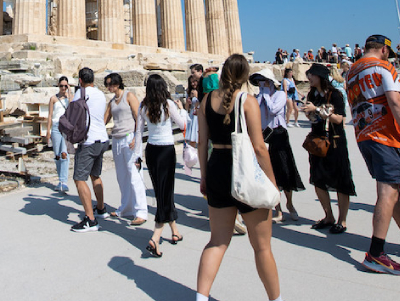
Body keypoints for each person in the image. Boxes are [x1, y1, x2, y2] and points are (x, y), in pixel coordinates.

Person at [196, 54, 281, 301]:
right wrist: (272, 184)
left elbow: (202, 143)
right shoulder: (247, 101)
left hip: (217, 170)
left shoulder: (205, 100)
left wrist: (204, 176)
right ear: (245, 75)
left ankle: (201, 298)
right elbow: (259, 148)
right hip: (245, 171)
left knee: (217, 242)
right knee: (262, 247)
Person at [346, 34, 400, 275]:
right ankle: (376, 254)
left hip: (364, 135)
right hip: (385, 135)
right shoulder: (383, 66)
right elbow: (395, 102)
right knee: (388, 192)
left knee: (391, 191)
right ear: (384, 50)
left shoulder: (351, 71)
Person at [135, 74, 186, 257]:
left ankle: (175, 231)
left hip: (151, 152)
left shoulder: (143, 106)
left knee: (162, 191)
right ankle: (155, 237)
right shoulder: (168, 104)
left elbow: (138, 133)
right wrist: (182, 110)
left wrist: (137, 156)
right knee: (165, 191)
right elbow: (182, 124)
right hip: (166, 151)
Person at [303, 64, 355, 234]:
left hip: (334, 141)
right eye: (308, 75)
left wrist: (316, 110)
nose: (309, 78)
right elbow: (314, 117)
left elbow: (340, 119)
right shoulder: (312, 94)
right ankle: (328, 216)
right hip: (318, 141)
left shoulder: (336, 95)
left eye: (312, 75)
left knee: (341, 181)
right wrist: (309, 112)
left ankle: (343, 220)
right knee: (318, 180)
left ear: (320, 77)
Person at [252, 69, 304, 221]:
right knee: (269, 173)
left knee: (284, 169)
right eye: (259, 81)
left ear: (269, 81)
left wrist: (266, 96)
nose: (261, 84)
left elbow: (274, 110)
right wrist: (260, 97)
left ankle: (290, 204)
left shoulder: (280, 95)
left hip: (279, 134)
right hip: (264, 136)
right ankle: (278, 209)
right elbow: (255, 113)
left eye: (263, 80)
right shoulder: (259, 97)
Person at [103, 73, 149, 226]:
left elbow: (139, 118)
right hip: (116, 139)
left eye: (110, 83)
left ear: (117, 83)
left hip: (130, 138)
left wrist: (137, 138)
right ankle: (126, 208)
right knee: (122, 176)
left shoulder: (129, 96)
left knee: (135, 175)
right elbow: (104, 120)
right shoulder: (111, 102)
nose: (108, 87)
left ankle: (141, 211)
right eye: (107, 84)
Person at [70, 67, 110, 233]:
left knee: (79, 178)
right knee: (95, 175)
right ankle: (100, 209)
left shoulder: (81, 93)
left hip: (89, 141)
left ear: (80, 80)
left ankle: (90, 220)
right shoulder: (100, 94)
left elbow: (72, 115)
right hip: (103, 139)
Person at [44, 76, 73, 193]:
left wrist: (70, 92)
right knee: (57, 154)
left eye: (65, 86)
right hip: (56, 127)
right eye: (61, 86)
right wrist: (48, 131)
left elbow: (73, 108)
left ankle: (63, 181)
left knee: (64, 153)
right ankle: (60, 180)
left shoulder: (70, 98)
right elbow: (50, 115)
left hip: (66, 127)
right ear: (58, 85)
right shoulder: (53, 99)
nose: (63, 88)